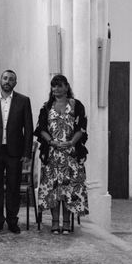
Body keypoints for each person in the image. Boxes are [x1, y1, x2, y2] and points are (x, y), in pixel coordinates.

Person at [0, 69, 33, 234]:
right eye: (5, 78)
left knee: (13, 187)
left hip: (14, 151)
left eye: (11, 79)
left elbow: (28, 128)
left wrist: (26, 153)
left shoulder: (23, 101)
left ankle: (12, 220)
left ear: (15, 83)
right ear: (0, 80)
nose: (7, 81)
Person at [35, 74, 89, 234]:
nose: (56, 89)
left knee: (67, 190)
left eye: (59, 85)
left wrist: (71, 142)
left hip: (70, 154)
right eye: (53, 86)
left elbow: (82, 128)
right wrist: (51, 142)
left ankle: (66, 223)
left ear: (66, 87)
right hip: (52, 154)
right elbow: (41, 128)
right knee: (53, 189)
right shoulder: (46, 107)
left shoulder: (77, 105)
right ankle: (54, 222)